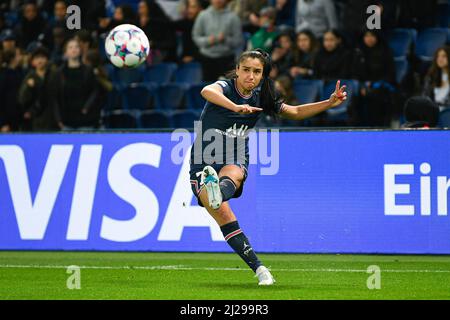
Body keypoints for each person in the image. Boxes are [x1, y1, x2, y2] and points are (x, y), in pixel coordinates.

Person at [189, 49, 347, 285]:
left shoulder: (262, 94)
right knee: (225, 216)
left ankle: (216, 192)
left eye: (257, 72)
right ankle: (260, 268)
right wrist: (235, 107)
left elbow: (293, 111)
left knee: (233, 174)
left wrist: (329, 102)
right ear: (238, 70)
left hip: (234, 152)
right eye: (246, 70)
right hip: (205, 156)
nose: (250, 76)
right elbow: (206, 91)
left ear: (263, 75)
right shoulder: (225, 87)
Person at [192, 0, 243, 82]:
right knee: (208, 88)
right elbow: (196, 37)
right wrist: (207, 40)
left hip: (226, 59)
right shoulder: (203, 15)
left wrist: (225, 39)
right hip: (207, 59)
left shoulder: (233, 17)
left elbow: (238, 40)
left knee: (226, 90)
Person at [423, 46, 450, 111]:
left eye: (444, 56)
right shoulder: (431, 75)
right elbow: (425, 97)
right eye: (438, 56)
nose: (440, 59)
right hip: (433, 111)